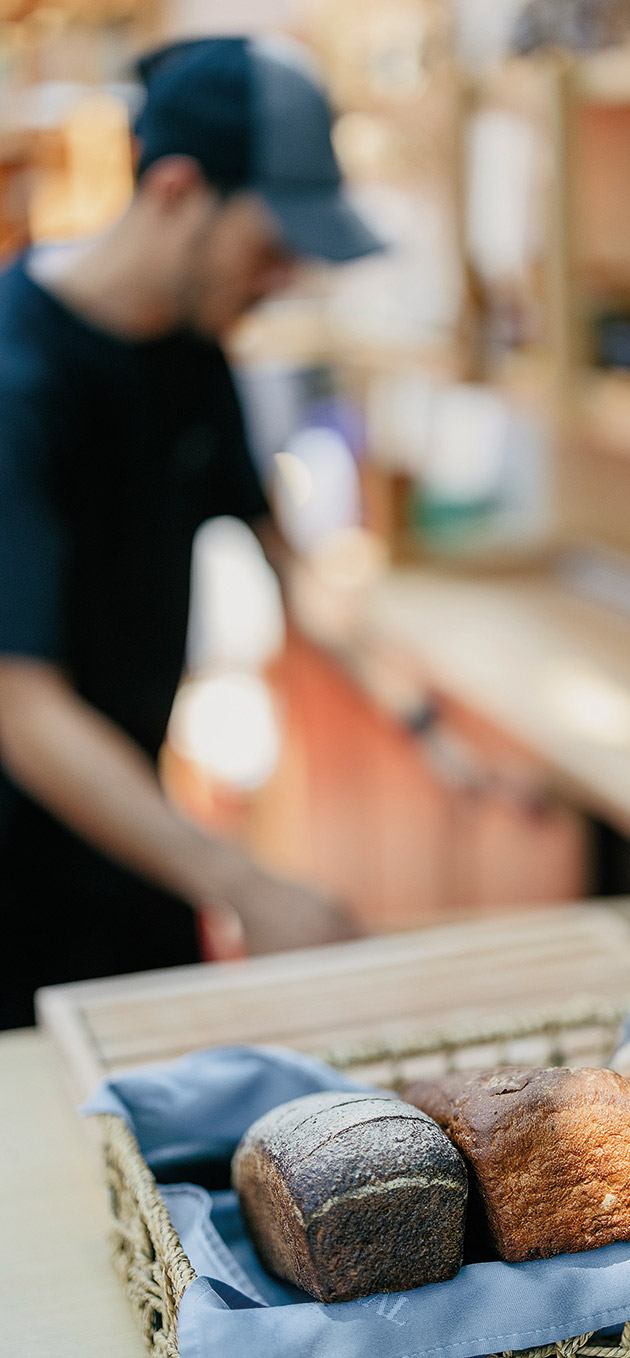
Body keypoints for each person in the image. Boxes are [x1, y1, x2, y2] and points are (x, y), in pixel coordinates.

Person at [0, 36, 384, 1029]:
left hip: (135, 852)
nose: (283, 277)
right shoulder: (18, 384)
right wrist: (246, 882)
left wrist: (419, 720)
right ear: (177, 189)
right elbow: (21, 705)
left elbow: (280, 547)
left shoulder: (192, 345)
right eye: (271, 246)